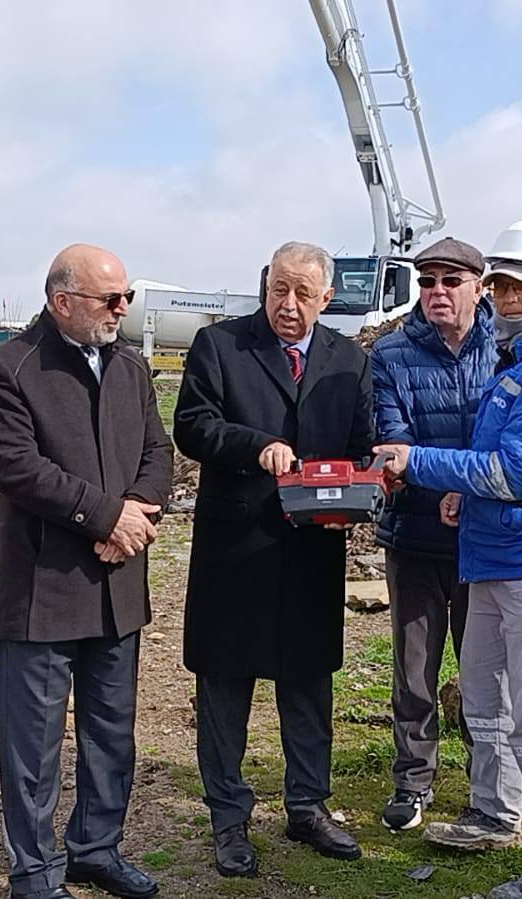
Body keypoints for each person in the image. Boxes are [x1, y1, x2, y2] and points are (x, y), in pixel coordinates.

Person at [376, 217, 522, 899]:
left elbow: (516, 469)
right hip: (493, 555)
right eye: (500, 285)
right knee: (483, 696)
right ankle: (493, 810)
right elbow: (499, 472)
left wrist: (420, 462)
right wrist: (463, 497)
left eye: (517, 286)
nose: (505, 298)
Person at [0, 244, 172, 899]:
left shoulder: (129, 366)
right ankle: (34, 871)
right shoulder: (6, 367)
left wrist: (137, 518)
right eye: (108, 299)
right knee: (33, 745)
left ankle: (95, 847)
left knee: (111, 732)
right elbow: (19, 468)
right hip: (43, 588)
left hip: (118, 584)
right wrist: (107, 518)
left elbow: (155, 449)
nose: (122, 310)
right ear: (62, 301)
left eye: (126, 299)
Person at [174, 240, 375, 877]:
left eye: (303, 294)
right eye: (278, 290)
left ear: (326, 298)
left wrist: (369, 478)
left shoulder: (349, 360)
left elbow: (363, 441)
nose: (288, 305)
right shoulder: (221, 346)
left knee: (309, 683)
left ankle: (308, 805)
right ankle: (228, 818)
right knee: (226, 687)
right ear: (265, 287)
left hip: (313, 548)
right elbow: (192, 426)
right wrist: (254, 444)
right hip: (237, 549)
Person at [368, 236, 497, 831]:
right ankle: (413, 781)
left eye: (450, 281)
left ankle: (489, 785)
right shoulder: (390, 354)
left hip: (487, 536)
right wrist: (436, 481)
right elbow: (392, 439)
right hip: (415, 534)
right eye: (427, 282)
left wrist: (465, 487)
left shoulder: (509, 348)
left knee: (485, 667)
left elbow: (508, 442)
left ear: (480, 286)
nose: (437, 292)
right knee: (414, 667)